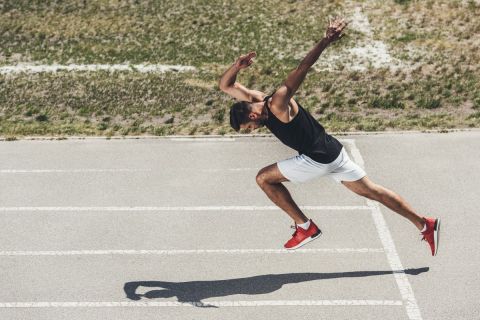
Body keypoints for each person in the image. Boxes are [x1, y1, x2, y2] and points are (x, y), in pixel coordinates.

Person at [218, 18, 440, 256]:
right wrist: (237, 65)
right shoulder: (255, 99)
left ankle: (305, 227)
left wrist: (326, 40)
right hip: (332, 151)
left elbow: (301, 69)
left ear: (253, 115)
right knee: (372, 191)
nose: (253, 131)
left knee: (264, 178)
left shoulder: (277, 103)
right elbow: (225, 85)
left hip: (317, 158)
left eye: (249, 127)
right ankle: (425, 224)